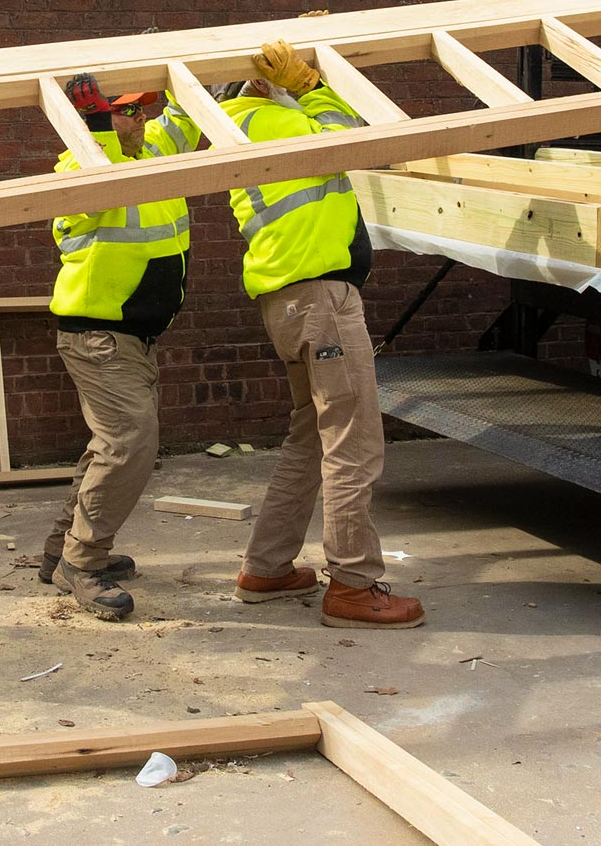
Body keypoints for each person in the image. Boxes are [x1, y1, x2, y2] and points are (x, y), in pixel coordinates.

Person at [220, 42, 423, 630]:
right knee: (353, 441)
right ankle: (354, 585)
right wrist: (312, 84)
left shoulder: (239, 129)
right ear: (257, 82)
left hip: (290, 301)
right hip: (321, 301)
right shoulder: (271, 117)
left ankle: (267, 567)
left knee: (309, 439)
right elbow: (349, 133)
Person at [40, 75, 201, 622]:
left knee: (112, 441)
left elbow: (187, 117)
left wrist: (216, 77)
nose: (142, 121)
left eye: (141, 111)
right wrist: (95, 131)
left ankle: (59, 553)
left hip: (131, 337)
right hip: (98, 337)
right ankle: (83, 564)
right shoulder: (77, 169)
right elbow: (87, 191)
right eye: (126, 114)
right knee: (130, 440)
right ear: (100, 122)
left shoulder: (152, 150)